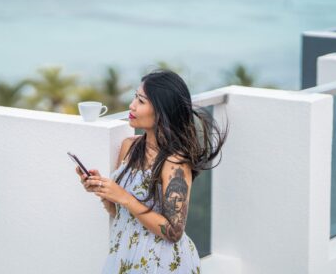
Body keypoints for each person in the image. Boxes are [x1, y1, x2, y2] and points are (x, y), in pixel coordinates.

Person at [76, 68, 228, 273]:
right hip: (125, 255)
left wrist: (124, 197)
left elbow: (174, 231)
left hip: (159, 262)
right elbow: (118, 211)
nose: (132, 106)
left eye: (141, 101)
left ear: (162, 110)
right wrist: (103, 191)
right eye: (134, 98)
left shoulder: (175, 162)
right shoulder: (129, 146)